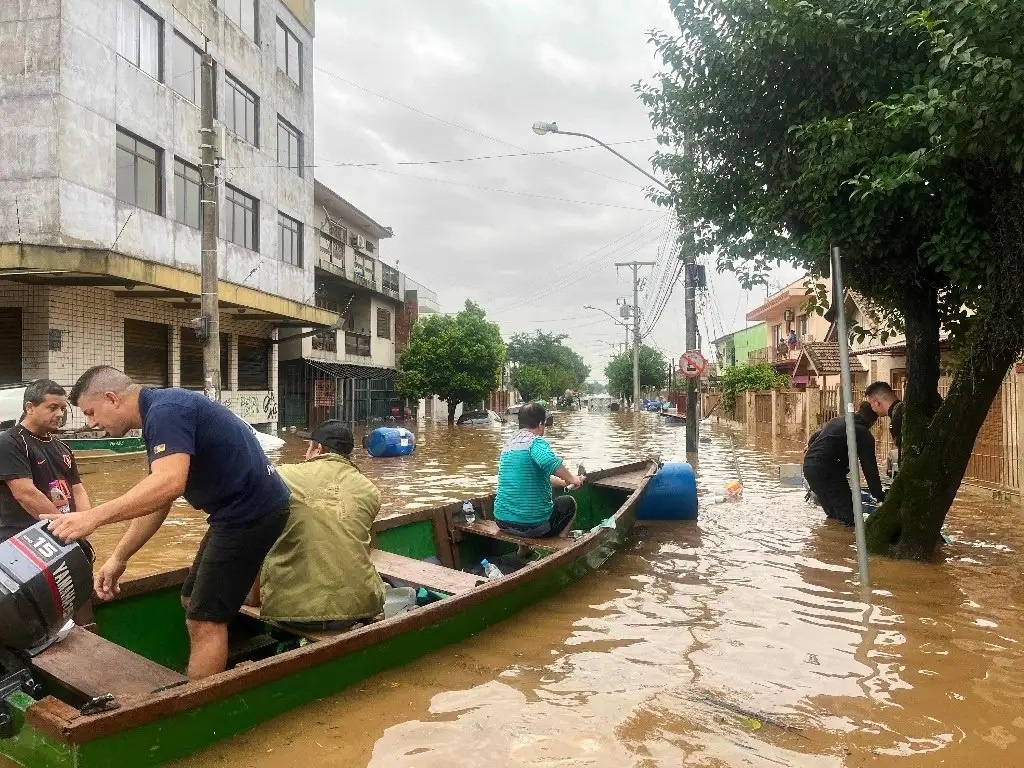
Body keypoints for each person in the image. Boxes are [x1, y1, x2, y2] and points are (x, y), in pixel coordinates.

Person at [45, 366, 290, 680]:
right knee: (191, 600)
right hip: (236, 513)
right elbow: (158, 497)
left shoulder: (166, 412)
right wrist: (119, 557)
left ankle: (199, 708)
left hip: (252, 514)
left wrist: (92, 517)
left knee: (204, 621)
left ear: (112, 399)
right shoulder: (160, 414)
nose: (92, 423)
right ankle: (221, 660)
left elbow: (169, 483)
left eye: (91, 412)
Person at [251, 420, 386, 631]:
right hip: (359, 608)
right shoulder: (370, 491)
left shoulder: (282, 477)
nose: (306, 454)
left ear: (318, 449)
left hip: (292, 611)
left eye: (308, 447)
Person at [0, 380, 91, 542]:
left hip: (61, 535)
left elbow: (78, 489)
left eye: (62, 408)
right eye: (52, 408)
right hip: (23, 539)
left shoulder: (63, 448)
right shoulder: (10, 442)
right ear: (30, 408)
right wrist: (66, 527)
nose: (60, 414)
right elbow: (26, 493)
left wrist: (84, 522)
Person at [493, 403, 586, 542]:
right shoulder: (535, 442)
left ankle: (522, 553)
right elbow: (551, 462)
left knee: (524, 509)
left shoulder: (508, 444)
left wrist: (564, 482)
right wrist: (573, 479)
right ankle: (559, 546)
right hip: (534, 526)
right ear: (541, 424)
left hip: (502, 522)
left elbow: (536, 476)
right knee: (569, 503)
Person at [803, 401, 885, 527]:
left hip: (809, 467)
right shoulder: (863, 433)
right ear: (873, 421)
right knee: (848, 516)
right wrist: (879, 496)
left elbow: (815, 436)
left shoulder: (837, 421)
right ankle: (846, 542)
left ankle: (828, 541)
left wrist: (810, 447)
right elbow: (870, 468)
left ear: (857, 411)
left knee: (833, 514)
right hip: (828, 471)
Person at [865, 380, 904, 472]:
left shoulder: (898, 417)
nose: (872, 408)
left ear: (876, 401)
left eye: (871, 404)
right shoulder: (901, 411)